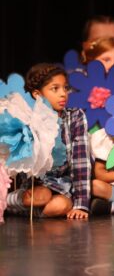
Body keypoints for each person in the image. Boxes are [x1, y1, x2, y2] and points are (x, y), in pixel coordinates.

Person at [6, 63, 91, 219]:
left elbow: (81, 162)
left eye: (65, 88)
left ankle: (19, 212)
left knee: (63, 206)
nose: (63, 94)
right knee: (42, 195)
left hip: (62, 185)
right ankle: (6, 202)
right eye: (55, 89)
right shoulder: (27, 118)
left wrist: (81, 204)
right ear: (37, 94)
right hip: (36, 184)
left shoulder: (75, 117)